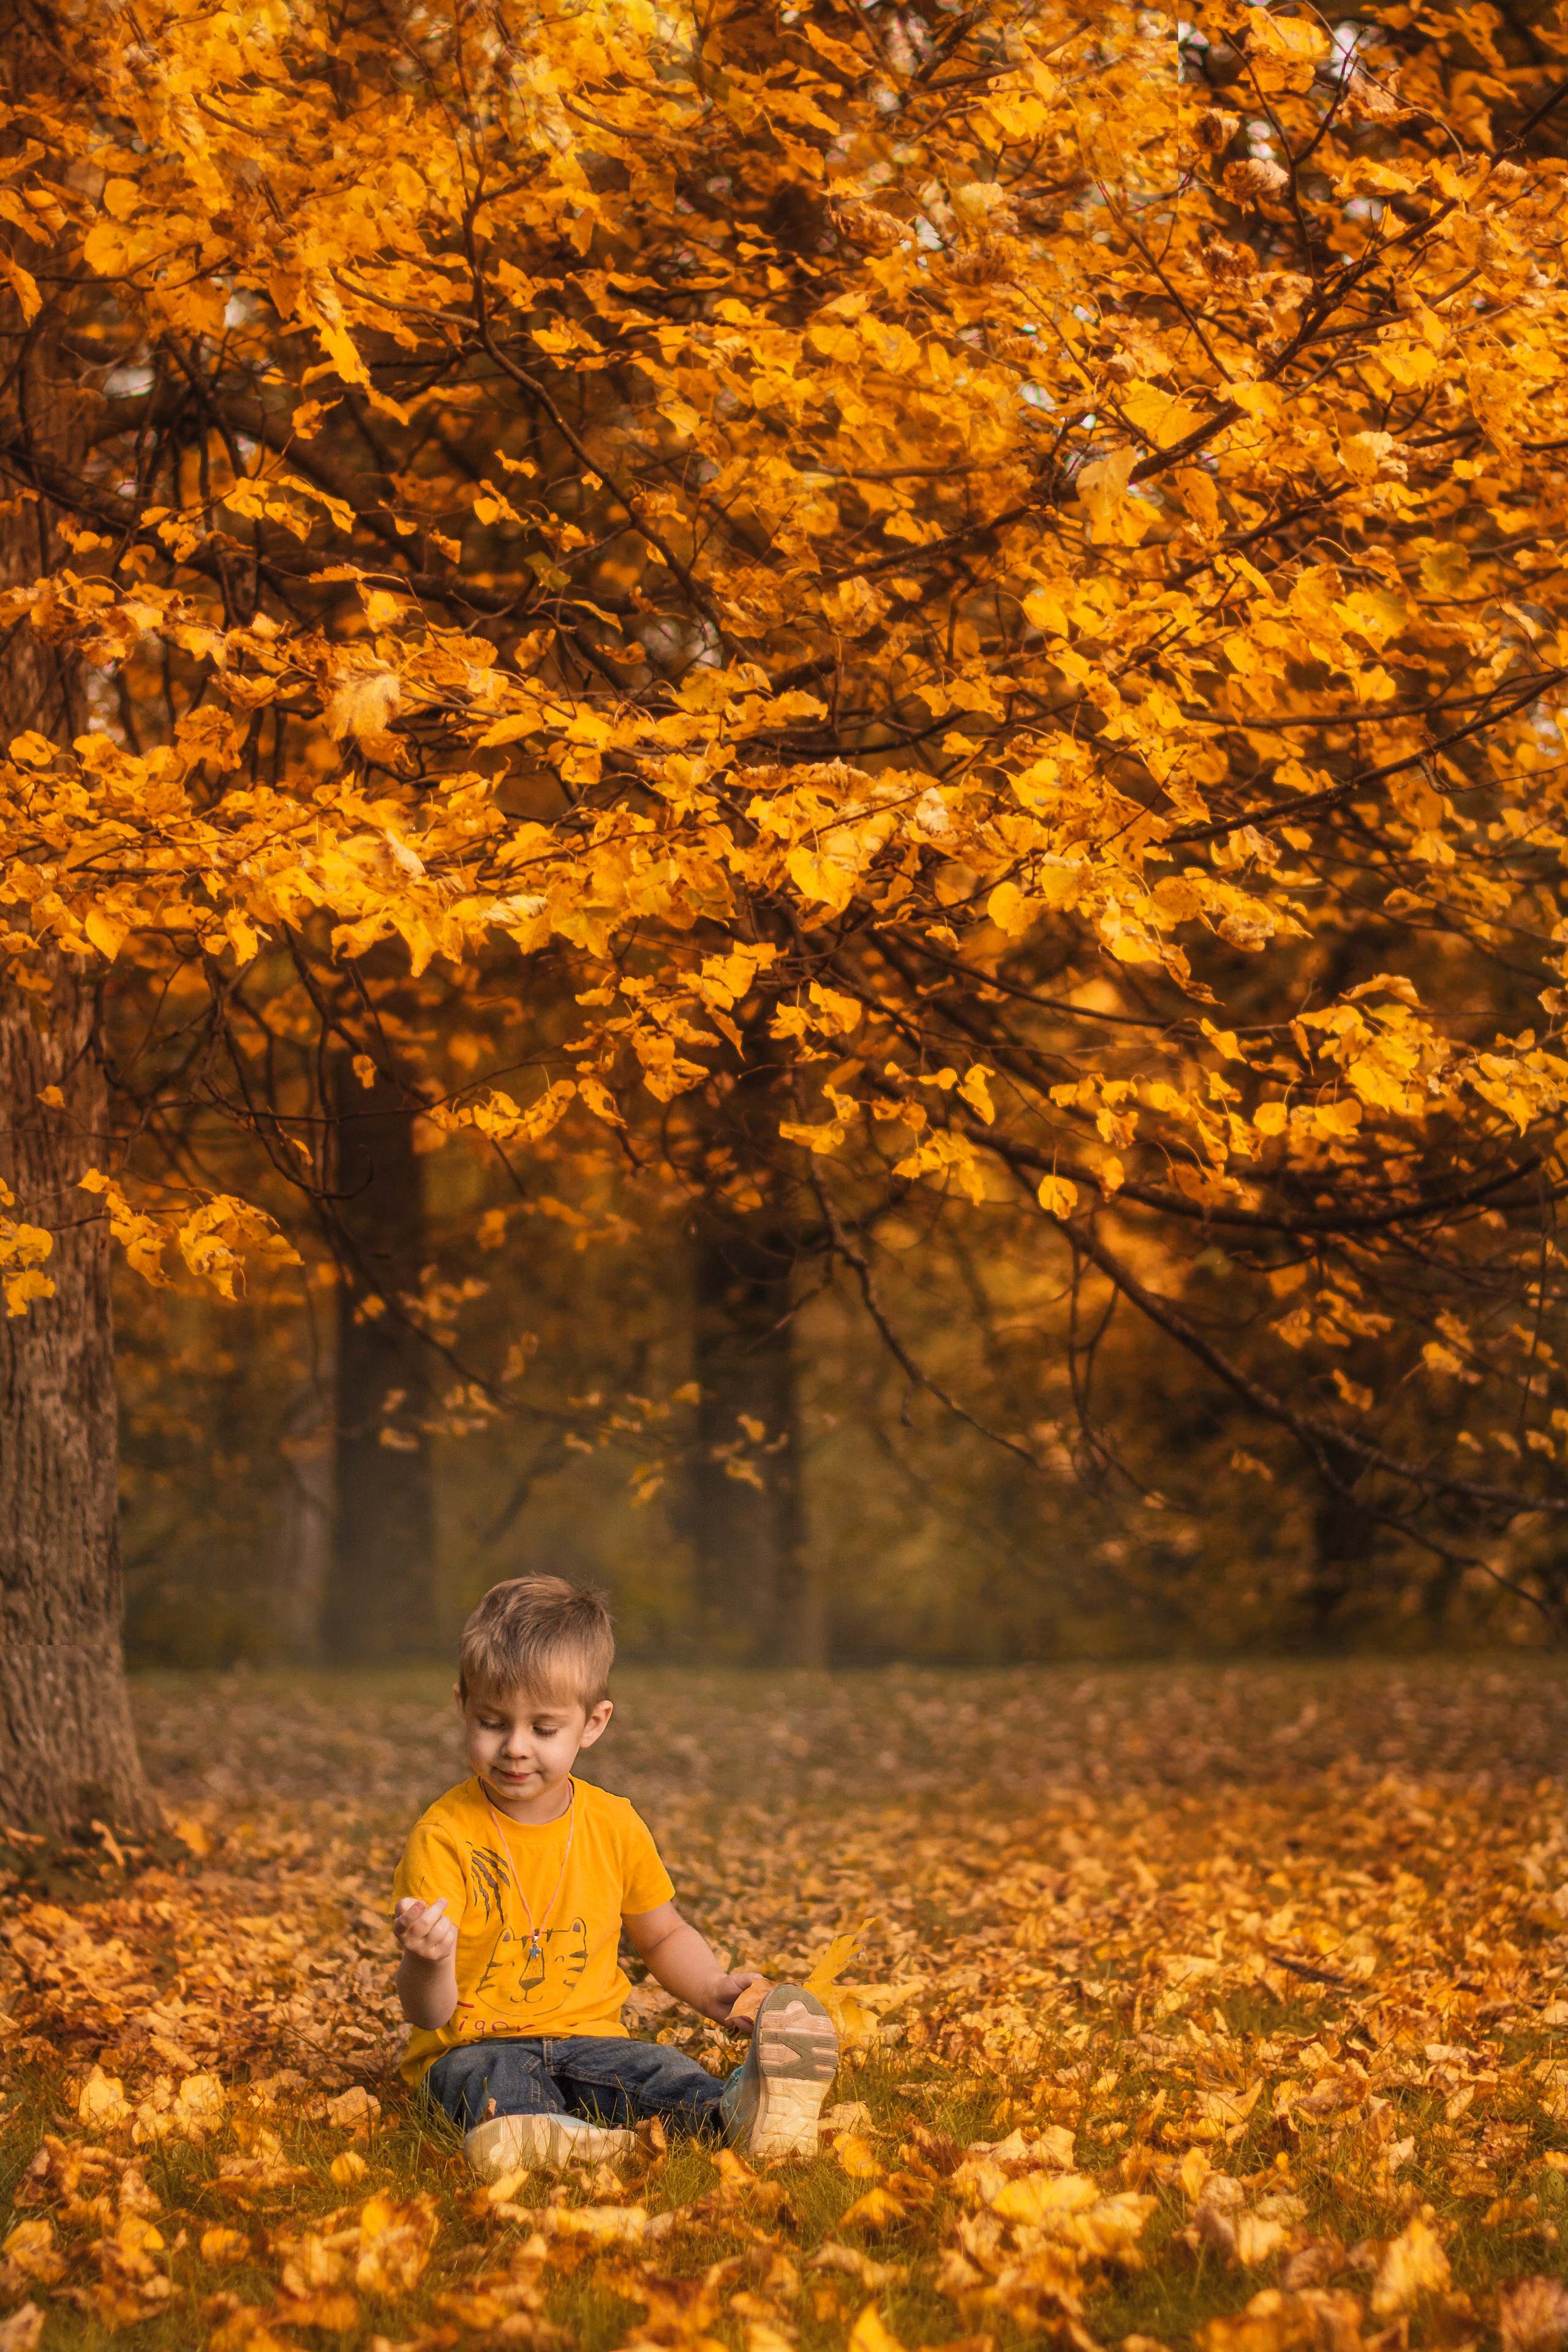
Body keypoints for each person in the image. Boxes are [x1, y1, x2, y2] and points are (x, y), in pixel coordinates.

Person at [391, 1575, 839, 2178]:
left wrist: (711, 1988)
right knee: (485, 2082)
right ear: (462, 1707)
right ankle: (541, 2137)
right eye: (492, 1723)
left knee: (660, 2071)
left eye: (543, 1730)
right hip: (473, 2046)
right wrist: (426, 1960)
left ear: (593, 1723)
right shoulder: (444, 1837)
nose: (515, 1748)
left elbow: (661, 1935)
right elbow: (428, 2013)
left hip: (592, 2043)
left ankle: (741, 2111)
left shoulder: (614, 1824)